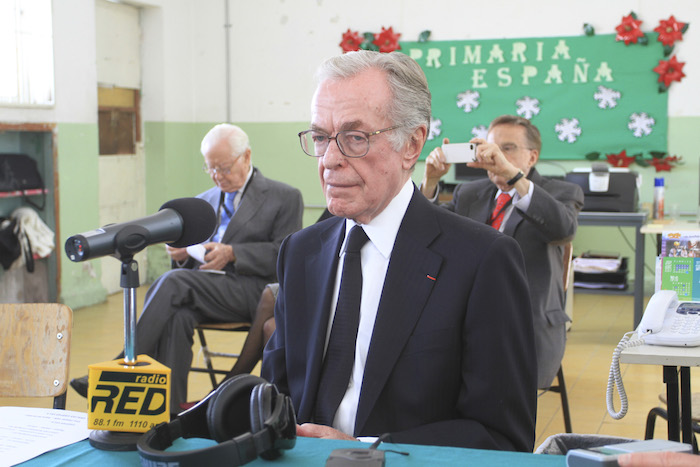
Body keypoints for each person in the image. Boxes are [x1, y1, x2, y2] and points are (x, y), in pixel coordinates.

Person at [262, 51, 537, 451]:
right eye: (321, 137)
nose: (330, 160)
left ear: (411, 144)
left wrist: (368, 451)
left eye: (355, 138)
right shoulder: (301, 251)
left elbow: (502, 437)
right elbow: (279, 392)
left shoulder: (482, 261)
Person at [71, 123, 304, 411]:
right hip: (204, 288)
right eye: (211, 169)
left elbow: (286, 253)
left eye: (224, 168)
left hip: (253, 292)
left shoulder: (284, 197)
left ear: (246, 156)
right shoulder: (203, 201)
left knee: (173, 281)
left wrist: (234, 253)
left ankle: (123, 363)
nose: (218, 176)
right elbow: (186, 263)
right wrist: (180, 254)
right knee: (178, 315)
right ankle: (171, 410)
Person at [419, 115, 584, 390]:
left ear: (532, 157)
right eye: (491, 146)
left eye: (507, 148)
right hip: (464, 322)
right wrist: (430, 184)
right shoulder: (470, 193)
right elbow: (429, 230)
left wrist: (513, 176)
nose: (494, 154)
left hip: (525, 328)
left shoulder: (562, 192)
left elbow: (562, 229)